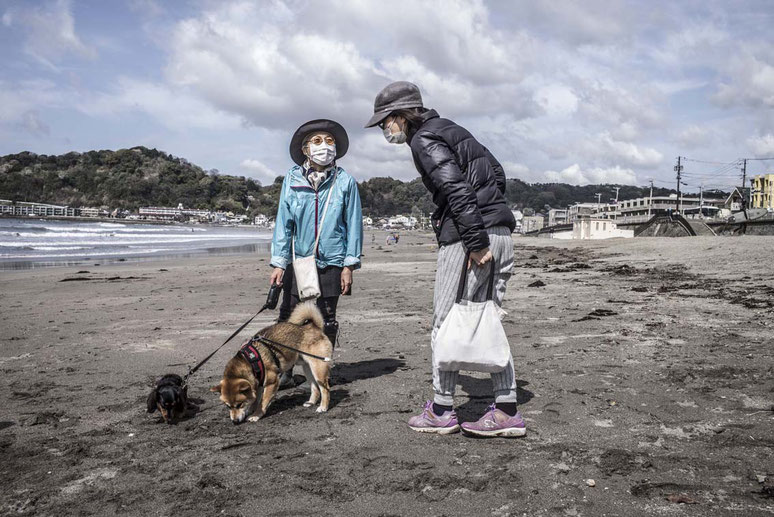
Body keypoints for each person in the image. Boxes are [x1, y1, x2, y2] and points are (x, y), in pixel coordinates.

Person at [366, 81, 523, 437]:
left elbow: (455, 188)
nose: (383, 130)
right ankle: (507, 408)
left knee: (445, 322)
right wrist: (488, 217)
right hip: (499, 232)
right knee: (485, 318)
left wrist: (474, 238)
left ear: (402, 115)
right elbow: (496, 173)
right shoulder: (452, 128)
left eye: (384, 122)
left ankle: (441, 409)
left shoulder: (423, 139)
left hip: (469, 238)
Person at [269, 119, 363, 386]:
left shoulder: (345, 182)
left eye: (330, 141)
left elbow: (354, 225)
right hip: (299, 261)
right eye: (317, 141)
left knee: (326, 319)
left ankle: (320, 372)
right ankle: (285, 372)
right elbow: (284, 222)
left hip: (332, 261)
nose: (325, 146)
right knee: (288, 318)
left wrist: (349, 265)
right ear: (305, 148)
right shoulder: (292, 179)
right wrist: (278, 263)